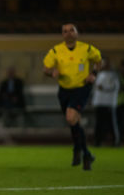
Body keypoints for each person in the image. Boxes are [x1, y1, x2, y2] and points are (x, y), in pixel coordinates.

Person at [43, 23, 101, 170]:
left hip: (81, 89)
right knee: (73, 122)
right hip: (64, 91)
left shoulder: (86, 48)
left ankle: (82, 152)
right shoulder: (56, 50)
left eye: (71, 30)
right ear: (62, 35)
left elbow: (99, 60)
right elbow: (46, 68)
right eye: (65, 31)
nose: (68, 33)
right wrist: (52, 73)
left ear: (77, 32)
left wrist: (94, 74)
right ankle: (82, 151)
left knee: (70, 117)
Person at [91, 57, 120, 146]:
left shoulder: (113, 75)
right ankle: (98, 141)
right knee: (99, 123)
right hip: (99, 102)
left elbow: (114, 87)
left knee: (111, 123)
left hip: (109, 103)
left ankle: (115, 141)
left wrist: (104, 88)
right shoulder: (99, 75)